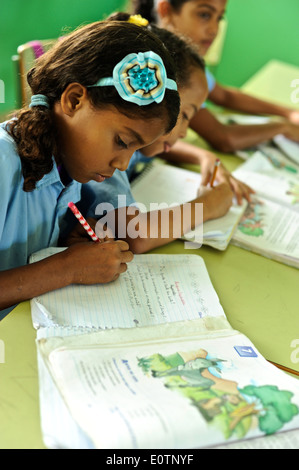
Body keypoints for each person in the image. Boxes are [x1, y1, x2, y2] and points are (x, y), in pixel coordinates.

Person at [0, 20, 181, 317]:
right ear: (74, 100)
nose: (122, 164)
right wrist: (66, 268)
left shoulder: (68, 169)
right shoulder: (4, 162)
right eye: (121, 141)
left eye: (135, 150)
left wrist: (66, 243)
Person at [69, 16, 236, 254]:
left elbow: (154, 146)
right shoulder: (108, 155)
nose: (185, 132)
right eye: (186, 115)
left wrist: (203, 156)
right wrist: (207, 205)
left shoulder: (127, 143)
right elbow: (136, 235)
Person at [132, 0, 299, 152]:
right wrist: (282, 128)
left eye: (219, 18)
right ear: (166, 9)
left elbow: (224, 95)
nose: (214, 30)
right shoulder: (156, 70)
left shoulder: (186, 60)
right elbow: (222, 138)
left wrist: (288, 113)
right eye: (204, 15)